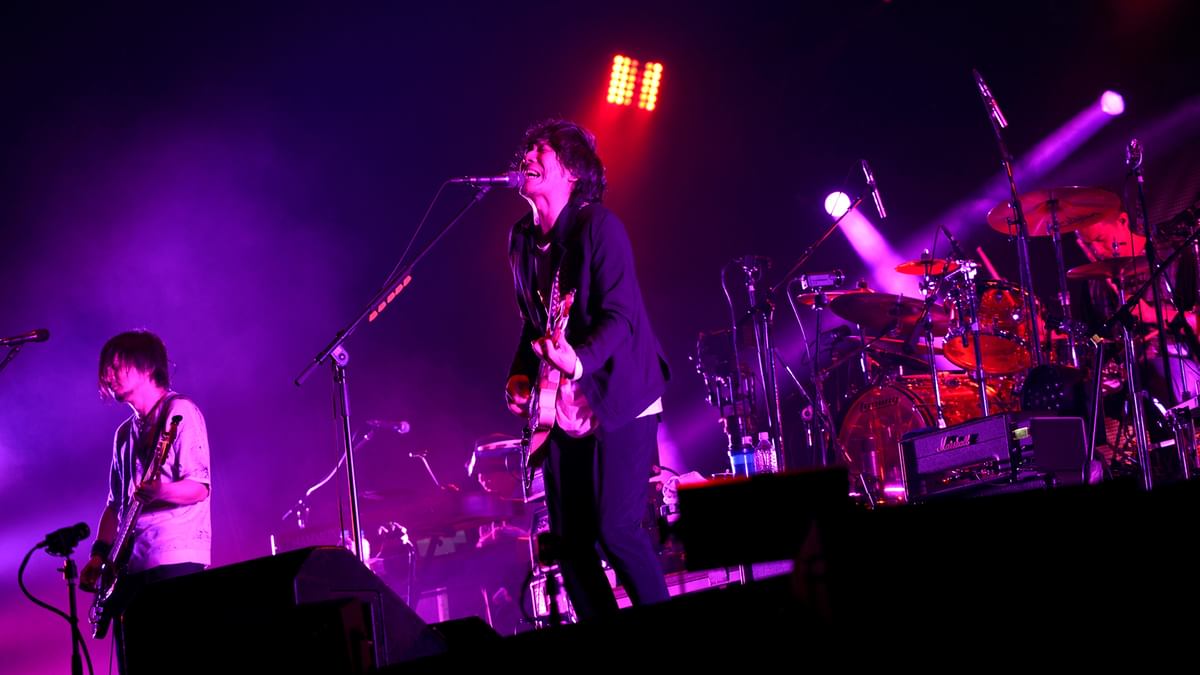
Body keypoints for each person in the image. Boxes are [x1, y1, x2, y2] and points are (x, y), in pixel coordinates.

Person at [503, 119, 670, 620]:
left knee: (616, 530)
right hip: (563, 400)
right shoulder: (521, 239)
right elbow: (532, 321)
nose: (528, 155)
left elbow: (621, 315)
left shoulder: (600, 226)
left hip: (620, 391)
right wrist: (520, 374)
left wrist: (577, 361)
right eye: (527, 148)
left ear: (572, 172)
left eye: (541, 149)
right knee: (570, 543)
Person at [80, 330, 211, 672]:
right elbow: (115, 505)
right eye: (106, 368)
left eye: (117, 365)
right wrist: (98, 556)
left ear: (147, 365)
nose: (108, 375)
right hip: (130, 565)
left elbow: (199, 487)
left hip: (174, 557)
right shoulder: (123, 434)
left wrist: (160, 491)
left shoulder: (179, 411)